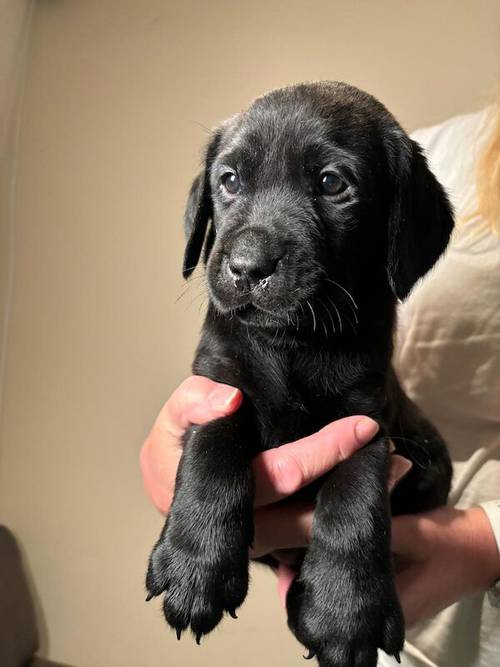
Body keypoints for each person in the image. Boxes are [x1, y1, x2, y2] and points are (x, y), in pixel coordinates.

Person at [140, 100, 500, 667]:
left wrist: (485, 543)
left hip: (450, 564)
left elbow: (361, 431)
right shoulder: (439, 143)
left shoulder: (392, 167)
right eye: (232, 181)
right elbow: (219, 411)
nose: (251, 250)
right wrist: (197, 498)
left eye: (332, 184)